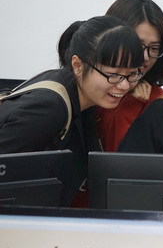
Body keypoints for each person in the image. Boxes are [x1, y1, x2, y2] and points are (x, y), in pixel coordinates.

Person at [0, 15, 144, 205]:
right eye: (114, 75)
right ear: (77, 65)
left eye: (132, 74)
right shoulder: (50, 109)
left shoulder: (81, 97)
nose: (124, 85)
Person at [96, 0, 163, 151]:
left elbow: (123, 161)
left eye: (154, 48)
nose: (145, 57)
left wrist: (131, 104)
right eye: (138, 45)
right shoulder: (90, 88)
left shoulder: (157, 101)